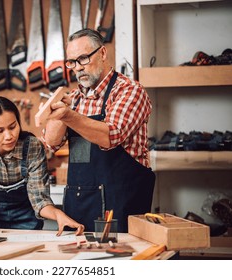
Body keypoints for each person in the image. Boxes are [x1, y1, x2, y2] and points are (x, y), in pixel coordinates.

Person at [42, 28, 155, 233]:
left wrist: (69, 116)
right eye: (72, 62)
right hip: (80, 208)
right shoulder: (74, 98)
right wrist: (60, 113)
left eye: (83, 59)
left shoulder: (130, 91)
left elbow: (110, 136)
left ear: (102, 53)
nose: (78, 68)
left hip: (121, 206)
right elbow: (50, 142)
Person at [0, 96, 84, 236]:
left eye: (13, 127)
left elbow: (40, 200)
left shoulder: (32, 147)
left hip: (25, 220)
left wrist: (58, 214)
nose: (9, 136)